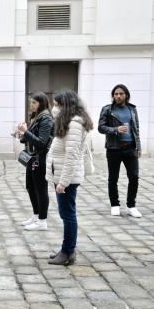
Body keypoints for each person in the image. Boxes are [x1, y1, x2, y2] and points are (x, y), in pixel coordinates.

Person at [46, 90, 93, 266]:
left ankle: (68, 252)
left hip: (67, 178)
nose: (54, 108)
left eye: (56, 104)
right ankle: (66, 249)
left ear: (64, 105)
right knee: (66, 213)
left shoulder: (74, 124)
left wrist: (63, 182)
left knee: (68, 214)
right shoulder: (69, 122)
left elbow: (71, 155)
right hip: (61, 175)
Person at [98, 84, 142, 218]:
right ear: (113, 96)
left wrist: (138, 146)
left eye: (121, 93)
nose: (118, 96)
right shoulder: (107, 109)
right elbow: (101, 127)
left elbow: (136, 129)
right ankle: (115, 205)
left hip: (130, 148)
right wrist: (116, 129)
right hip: (114, 149)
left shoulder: (132, 109)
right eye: (116, 94)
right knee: (113, 178)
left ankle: (131, 205)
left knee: (134, 177)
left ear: (126, 95)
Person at [15, 92, 54, 231]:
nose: (31, 105)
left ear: (42, 103)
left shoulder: (46, 119)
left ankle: (42, 221)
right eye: (31, 102)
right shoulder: (37, 117)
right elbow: (30, 138)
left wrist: (26, 131)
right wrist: (21, 134)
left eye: (34, 103)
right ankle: (36, 216)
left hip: (41, 158)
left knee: (41, 189)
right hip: (32, 157)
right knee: (31, 187)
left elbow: (41, 143)